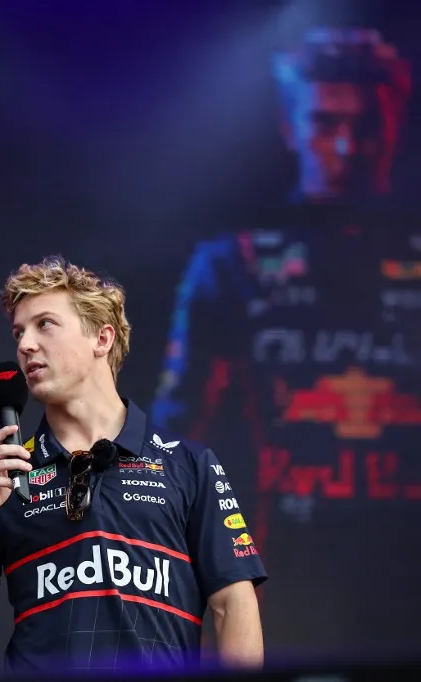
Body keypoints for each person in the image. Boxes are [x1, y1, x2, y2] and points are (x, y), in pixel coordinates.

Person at [151, 26, 421, 656]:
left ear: (395, 125)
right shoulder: (232, 265)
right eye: (326, 123)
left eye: (368, 126)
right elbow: (174, 435)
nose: (348, 145)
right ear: (291, 126)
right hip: (291, 566)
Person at [0, 256, 266, 674]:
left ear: (101, 339)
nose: (25, 345)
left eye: (45, 324)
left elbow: (233, 604)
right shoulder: (3, 474)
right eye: (18, 332)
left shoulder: (188, 464)